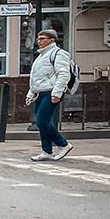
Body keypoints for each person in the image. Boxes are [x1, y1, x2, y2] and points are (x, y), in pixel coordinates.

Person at [25, 29, 73, 161]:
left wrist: (57, 92)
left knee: (42, 121)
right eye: (38, 39)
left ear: (52, 40)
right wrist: (31, 93)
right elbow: (37, 78)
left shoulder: (58, 53)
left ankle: (64, 144)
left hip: (51, 92)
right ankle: (46, 150)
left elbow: (64, 74)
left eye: (42, 38)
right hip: (40, 92)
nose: (39, 41)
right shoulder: (41, 56)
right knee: (41, 122)